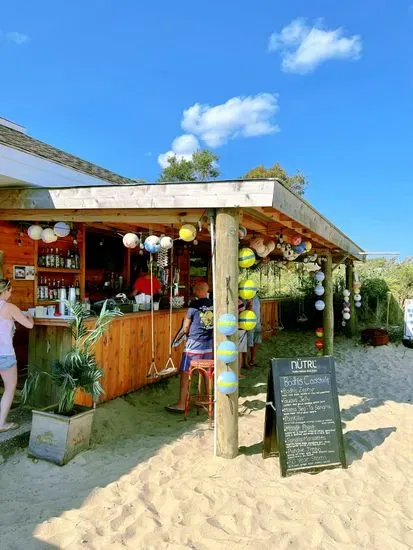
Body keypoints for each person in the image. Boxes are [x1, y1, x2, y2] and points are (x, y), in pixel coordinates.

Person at [166, 281, 213, 413]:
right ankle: (207, 401)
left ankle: (182, 403)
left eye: (194, 289)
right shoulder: (213, 304)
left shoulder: (194, 305)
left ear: (198, 290)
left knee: (185, 373)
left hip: (195, 343)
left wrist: (184, 335)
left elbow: (186, 326)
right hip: (209, 344)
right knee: (206, 372)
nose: (193, 291)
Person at [0, 279, 34, 432]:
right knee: (10, 388)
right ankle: (1, 424)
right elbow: (29, 325)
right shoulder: (9, 307)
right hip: (5, 354)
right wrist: (29, 316)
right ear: (5, 291)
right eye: (10, 291)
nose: (11, 293)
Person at [247, 294, 262, 366]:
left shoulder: (256, 297)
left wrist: (261, 322)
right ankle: (248, 361)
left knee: (257, 341)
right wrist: (249, 305)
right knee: (250, 342)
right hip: (249, 324)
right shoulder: (244, 297)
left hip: (258, 323)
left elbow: (259, 310)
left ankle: (253, 359)